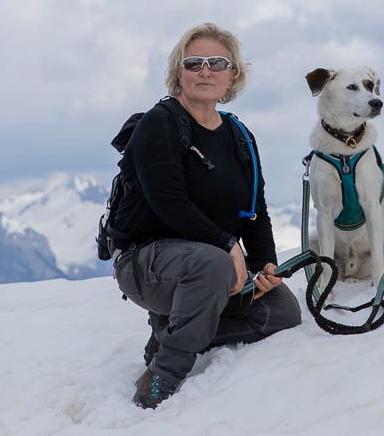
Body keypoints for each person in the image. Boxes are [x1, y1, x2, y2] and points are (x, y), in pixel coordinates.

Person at [111, 22, 302, 409]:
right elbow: (170, 203)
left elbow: (255, 211)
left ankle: (174, 331)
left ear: (233, 75)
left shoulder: (240, 136)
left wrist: (266, 263)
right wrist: (228, 247)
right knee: (213, 264)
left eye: (217, 63)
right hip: (146, 263)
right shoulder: (159, 125)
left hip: (211, 265)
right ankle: (163, 375)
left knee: (281, 311)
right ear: (177, 72)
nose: (205, 70)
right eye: (194, 62)